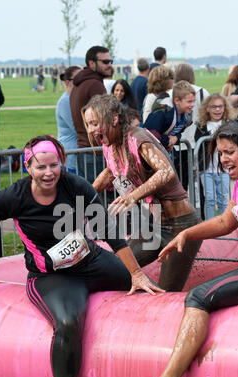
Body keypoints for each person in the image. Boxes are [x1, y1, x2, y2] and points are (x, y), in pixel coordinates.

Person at [0, 135, 161, 377]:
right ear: (27, 166)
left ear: (62, 164)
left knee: (148, 290)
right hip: (52, 278)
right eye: (41, 166)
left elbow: (109, 231)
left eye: (54, 165)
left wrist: (135, 274)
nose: (48, 172)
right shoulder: (14, 196)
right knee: (68, 323)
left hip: (90, 261)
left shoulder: (75, 186)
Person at [121, 119, 238, 377]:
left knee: (198, 296)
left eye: (231, 151)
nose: (224, 159)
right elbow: (226, 221)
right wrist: (186, 234)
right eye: (221, 152)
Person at [82, 94, 202, 292]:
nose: (91, 130)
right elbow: (111, 172)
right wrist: (85, 194)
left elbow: (166, 172)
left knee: (167, 292)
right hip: (154, 225)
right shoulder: (111, 145)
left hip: (182, 226)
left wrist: (132, 196)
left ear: (114, 118)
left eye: (94, 123)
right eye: (88, 124)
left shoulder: (138, 138)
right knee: (117, 267)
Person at [160, 63, 209, 190]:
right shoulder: (202, 92)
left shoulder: (168, 94)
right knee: (199, 185)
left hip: (176, 144)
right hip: (196, 144)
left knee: (179, 186)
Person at [70, 45, 113, 183]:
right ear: (92, 63)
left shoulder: (78, 84)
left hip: (84, 151)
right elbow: (107, 118)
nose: (109, 65)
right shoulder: (95, 85)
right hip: (96, 152)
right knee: (101, 199)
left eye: (110, 61)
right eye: (105, 62)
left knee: (89, 198)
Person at [195, 93, 237, 220]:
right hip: (206, 169)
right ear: (207, 108)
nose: (217, 110)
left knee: (224, 197)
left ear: (225, 108)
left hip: (223, 168)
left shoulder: (228, 124)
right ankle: (210, 225)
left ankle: (225, 225)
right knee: (210, 198)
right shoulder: (202, 126)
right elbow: (198, 141)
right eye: (213, 107)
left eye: (220, 106)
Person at [143, 80, 195, 160]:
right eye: (189, 102)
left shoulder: (186, 116)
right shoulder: (163, 112)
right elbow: (149, 133)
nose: (192, 105)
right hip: (150, 153)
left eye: (193, 101)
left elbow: (178, 132)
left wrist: (176, 138)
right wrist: (168, 140)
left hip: (164, 151)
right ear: (177, 101)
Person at [56, 66, 81, 173]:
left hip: (76, 154)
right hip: (69, 157)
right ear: (67, 82)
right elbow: (78, 128)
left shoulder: (76, 98)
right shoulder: (65, 101)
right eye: (77, 79)